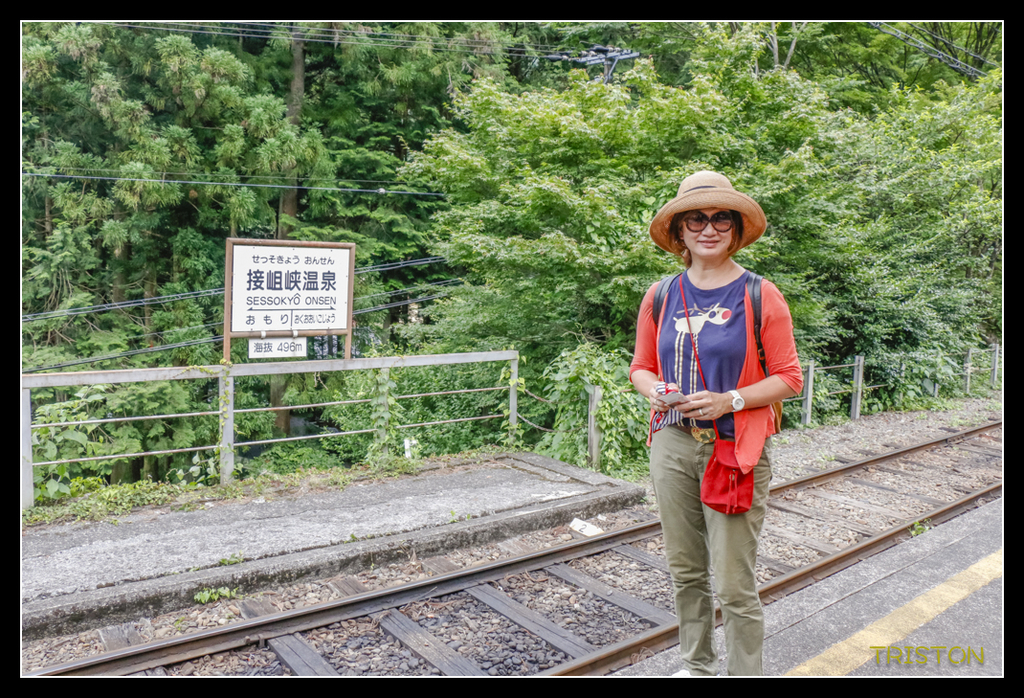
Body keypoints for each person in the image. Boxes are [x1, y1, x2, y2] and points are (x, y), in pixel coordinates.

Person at [629, 170, 803, 676]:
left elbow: (790, 377)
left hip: (734, 448)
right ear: (680, 231)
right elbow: (640, 367)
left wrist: (730, 399)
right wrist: (658, 391)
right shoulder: (660, 295)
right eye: (696, 219)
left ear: (735, 228)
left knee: (732, 582)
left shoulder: (759, 293)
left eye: (720, 218)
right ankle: (697, 665)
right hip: (672, 444)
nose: (709, 228)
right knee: (685, 570)